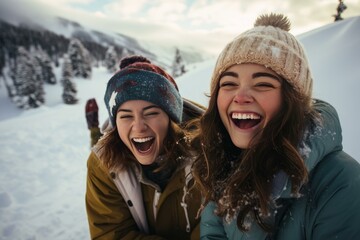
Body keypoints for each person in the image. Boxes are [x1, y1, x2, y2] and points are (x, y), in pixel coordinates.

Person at [189, 13, 360, 239]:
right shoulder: (221, 166)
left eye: (262, 84)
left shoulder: (339, 181)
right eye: (229, 83)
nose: (240, 96)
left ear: (292, 100)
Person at [85, 55, 202, 239]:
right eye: (125, 116)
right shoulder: (103, 164)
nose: (139, 126)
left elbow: (217, 226)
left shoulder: (208, 150)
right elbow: (110, 233)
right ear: (115, 123)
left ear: (172, 118)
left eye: (151, 113)